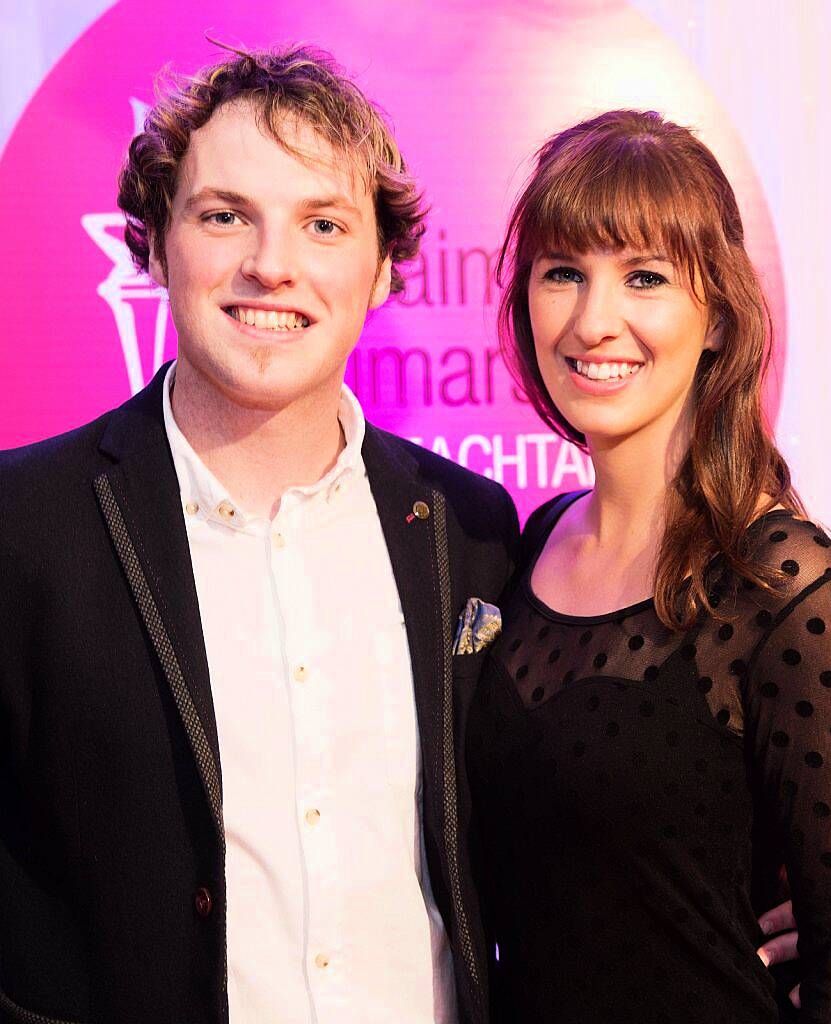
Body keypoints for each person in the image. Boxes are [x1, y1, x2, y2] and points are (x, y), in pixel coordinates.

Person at [0, 46, 519, 1024]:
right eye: (225, 214)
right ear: (153, 243)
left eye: (323, 224)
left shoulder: (471, 525)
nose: (270, 264)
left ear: (380, 274)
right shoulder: (24, 528)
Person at [466, 109, 831, 1023]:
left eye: (645, 277)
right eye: (564, 274)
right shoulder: (526, 543)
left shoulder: (784, 587)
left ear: (716, 317)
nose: (596, 321)